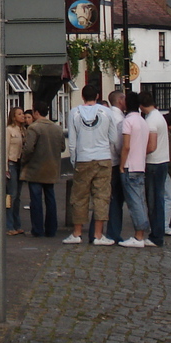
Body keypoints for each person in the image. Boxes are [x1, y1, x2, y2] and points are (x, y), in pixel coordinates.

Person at [63, 83, 115, 246]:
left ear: (82, 97)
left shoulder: (74, 112)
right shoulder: (107, 112)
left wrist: (74, 159)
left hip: (83, 158)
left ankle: (77, 232)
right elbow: (114, 138)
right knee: (101, 196)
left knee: (79, 196)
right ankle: (98, 234)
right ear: (98, 96)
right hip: (103, 157)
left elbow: (72, 141)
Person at [20, 102, 65, 238]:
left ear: (36, 113)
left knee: (36, 200)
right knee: (50, 199)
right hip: (52, 167)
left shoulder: (34, 128)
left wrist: (23, 160)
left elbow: (28, 149)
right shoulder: (57, 128)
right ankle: (51, 229)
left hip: (36, 168)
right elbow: (62, 147)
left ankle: (37, 229)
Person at [118, 91, 155, 248]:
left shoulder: (128, 121)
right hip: (141, 166)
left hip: (130, 166)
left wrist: (121, 165)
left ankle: (139, 235)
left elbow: (126, 146)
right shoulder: (143, 121)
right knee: (140, 200)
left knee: (134, 203)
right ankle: (141, 232)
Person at [139, 90, 170, 247]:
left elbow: (151, 146)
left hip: (154, 164)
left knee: (153, 201)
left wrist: (138, 153)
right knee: (158, 200)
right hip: (162, 161)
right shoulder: (159, 116)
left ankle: (156, 236)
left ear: (141, 106)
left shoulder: (151, 121)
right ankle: (158, 233)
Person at [104, 90, 128, 243]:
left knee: (103, 198)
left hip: (103, 160)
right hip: (115, 163)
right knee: (116, 200)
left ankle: (96, 232)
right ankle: (113, 233)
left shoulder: (105, 115)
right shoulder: (119, 119)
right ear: (120, 100)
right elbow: (119, 144)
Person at [5, 107, 26, 235]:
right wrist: (5, 168)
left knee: (18, 196)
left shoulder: (23, 130)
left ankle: (17, 224)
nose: (22, 116)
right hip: (11, 163)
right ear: (13, 117)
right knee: (11, 195)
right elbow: (5, 148)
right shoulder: (9, 130)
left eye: (22, 113)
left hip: (20, 163)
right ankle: (9, 225)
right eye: (19, 114)